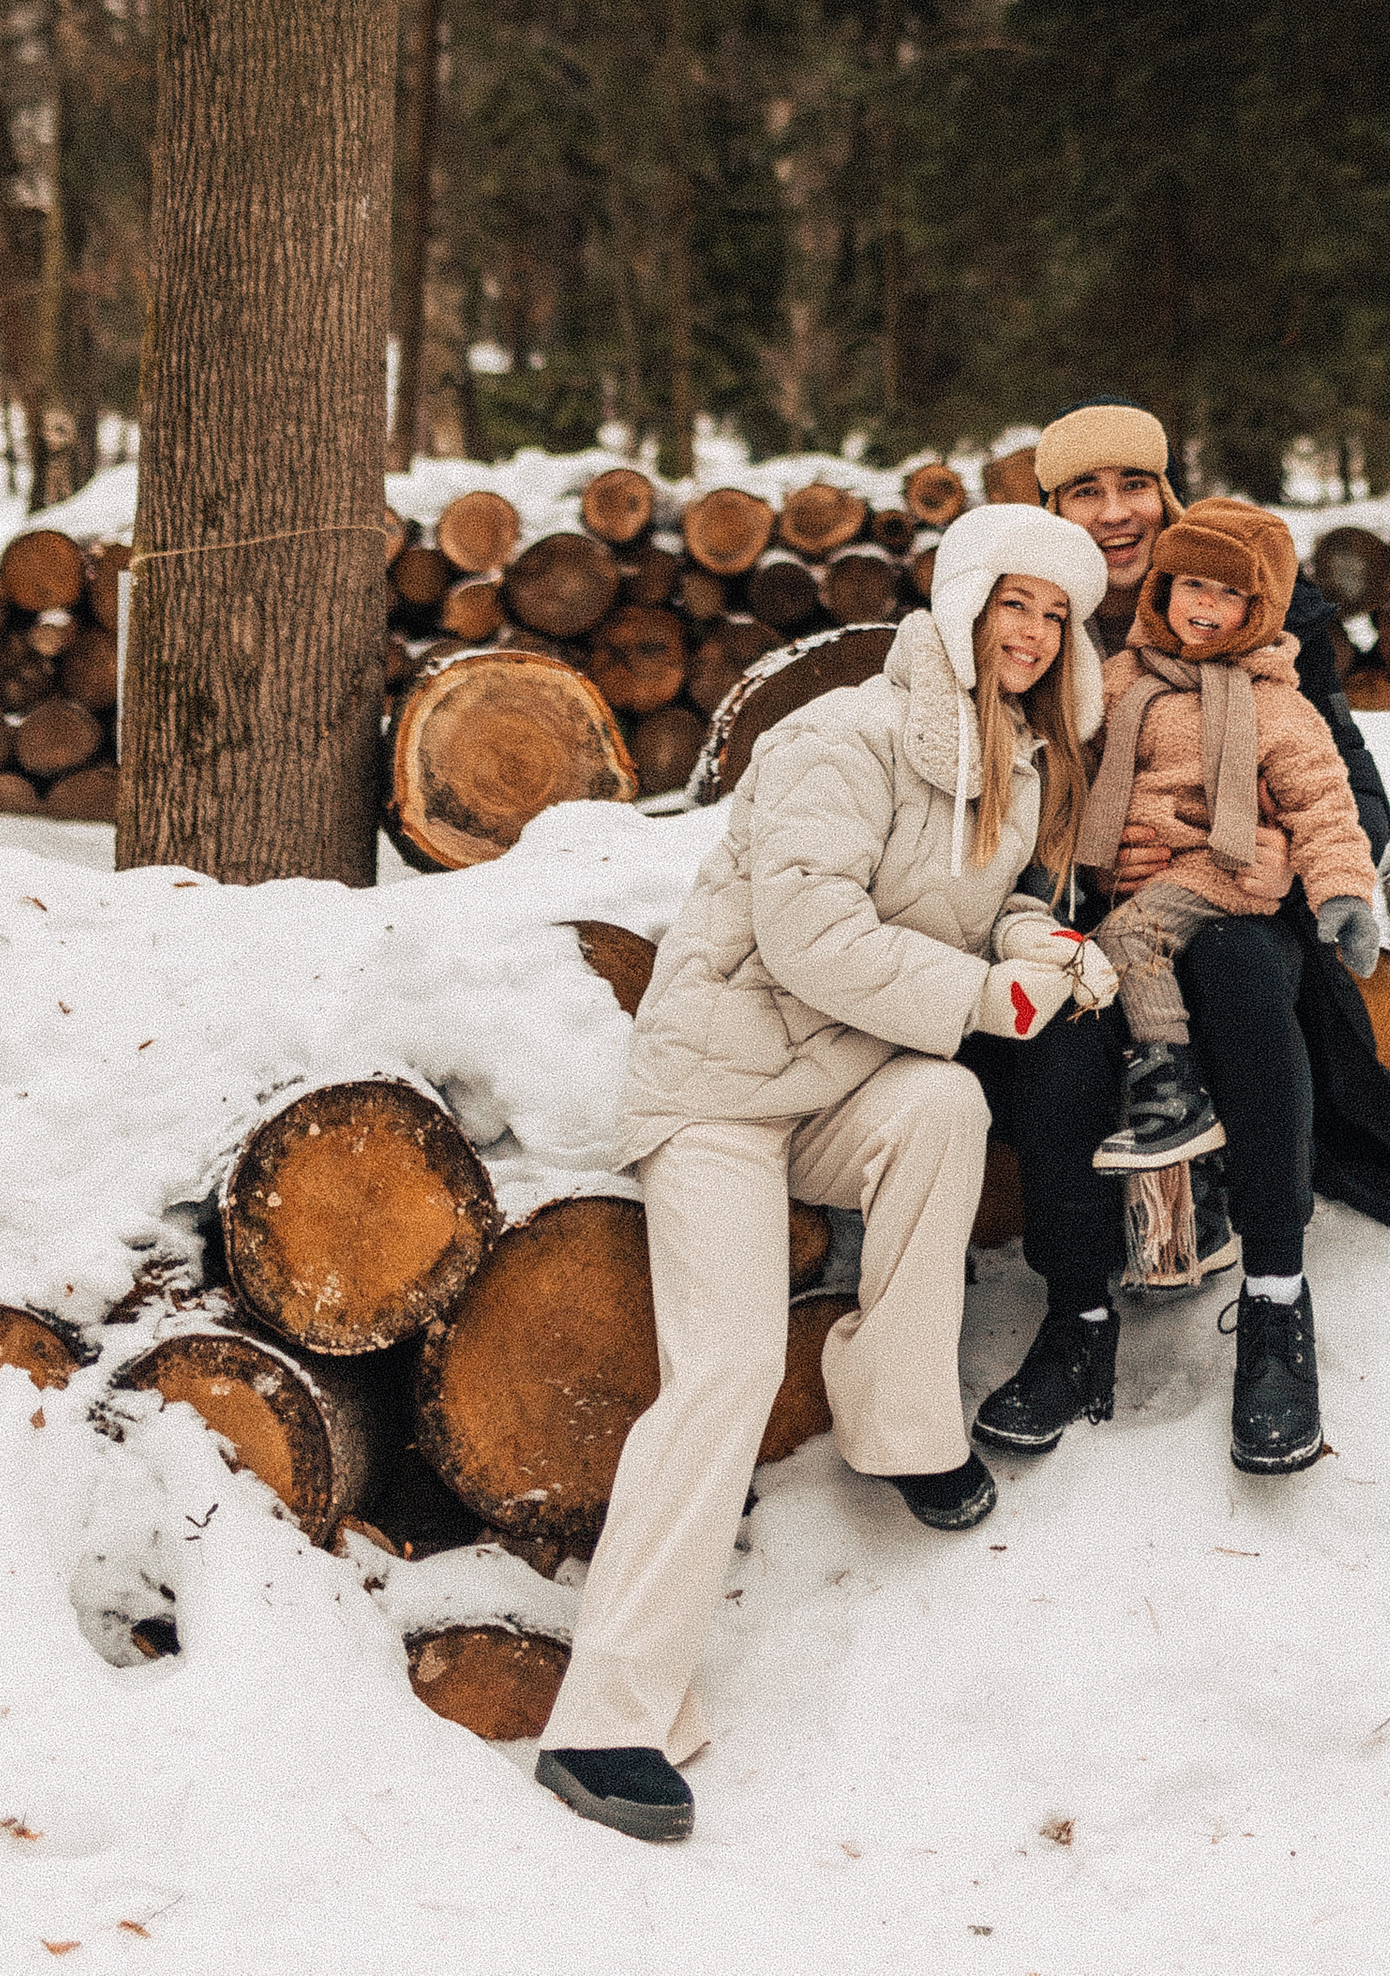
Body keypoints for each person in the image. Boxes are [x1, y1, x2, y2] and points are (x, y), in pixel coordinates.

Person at [536, 502, 1116, 1846]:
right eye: (1010, 607)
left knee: (945, 1113)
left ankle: (897, 1417)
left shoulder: (1018, 761)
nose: (1029, 636)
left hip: (840, 1085)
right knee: (729, 1365)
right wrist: (990, 996)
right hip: (723, 1090)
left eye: (1053, 618)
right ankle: (606, 1718)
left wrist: (1047, 948)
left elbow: (996, 899)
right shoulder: (839, 737)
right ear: (963, 610)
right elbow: (810, 937)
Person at [972, 405, 1390, 1483]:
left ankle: (1274, 1302)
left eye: (1134, 485)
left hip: (1241, 900)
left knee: (1244, 977)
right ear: (1050, 509)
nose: (1115, 513)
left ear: (1170, 492)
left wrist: (1252, 838)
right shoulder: (1033, 612)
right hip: (1087, 898)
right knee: (1061, 1027)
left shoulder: (1258, 593)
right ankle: (1075, 1317)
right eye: (1083, 492)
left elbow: (1351, 793)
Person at [1083, 497, 1381, 1172]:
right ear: (1166, 587)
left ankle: (1170, 1090)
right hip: (1139, 871)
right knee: (1105, 959)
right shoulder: (1122, 679)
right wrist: (1088, 857)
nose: (1206, 604)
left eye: (1230, 592)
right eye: (1193, 584)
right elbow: (1079, 767)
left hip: (1220, 870)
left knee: (1127, 940)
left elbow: (1325, 803)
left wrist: (1341, 895)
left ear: (1261, 608)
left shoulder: (1275, 702)